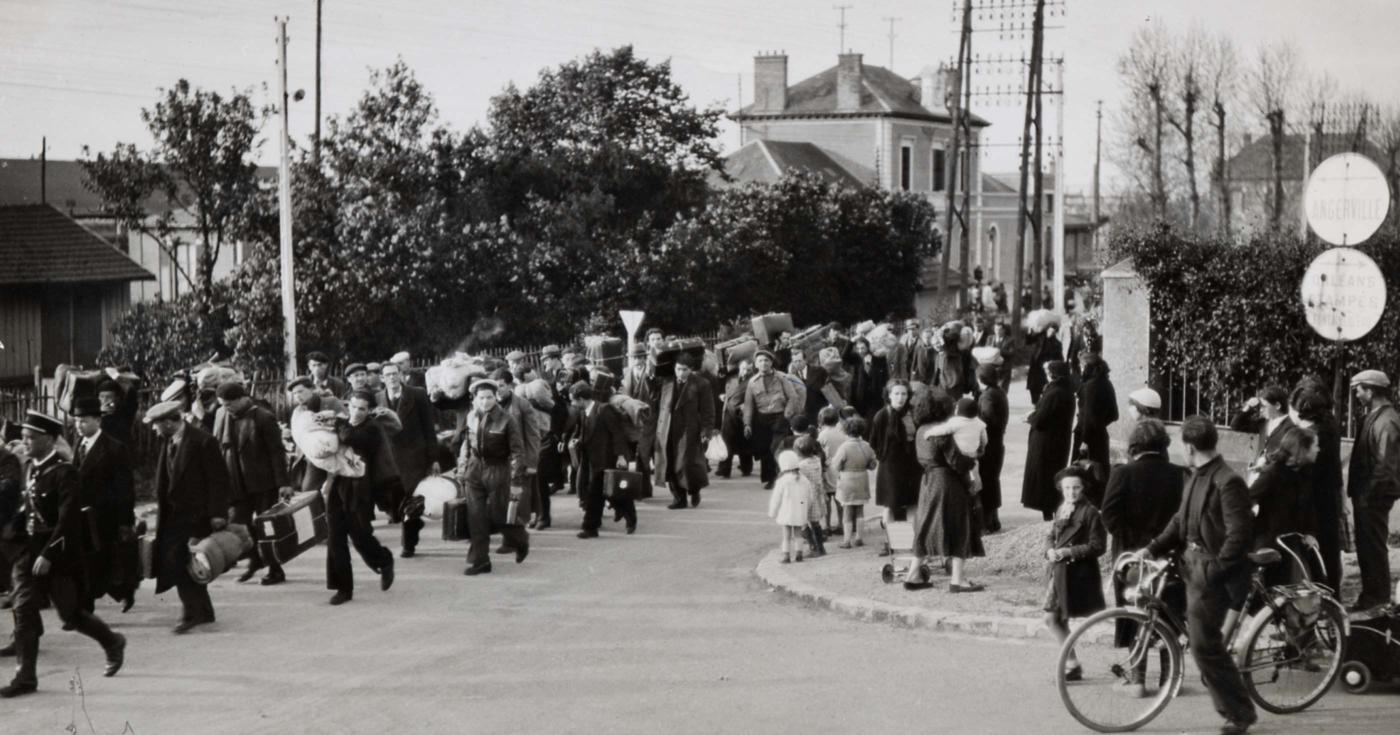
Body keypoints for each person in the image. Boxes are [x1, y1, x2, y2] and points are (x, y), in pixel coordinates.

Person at [0, 411, 126, 698]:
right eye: (24, 437)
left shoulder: (65, 472)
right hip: (28, 552)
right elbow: (28, 509)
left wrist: (49, 553)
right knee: (24, 611)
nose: (25, 442)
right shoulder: (32, 467)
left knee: (71, 614)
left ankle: (112, 642)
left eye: (31, 438)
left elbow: (68, 520)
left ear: (49, 440)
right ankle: (26, 676)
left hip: (57, 555)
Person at [1143, 417, 1256, 735]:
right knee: (1200, 642)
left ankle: (1239, 712)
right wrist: (1151, 549)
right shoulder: (1195, 476)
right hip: (1191, 564)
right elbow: (1181, 520)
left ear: (1190, 447)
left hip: (1211, 571)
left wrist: (1217, 570)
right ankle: (1219, 682)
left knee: (1205, 645)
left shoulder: (1227, 480)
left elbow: (1239, 535)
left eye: (1183, 446)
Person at [146, 400, 230, 634]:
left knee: (180, 562)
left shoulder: (203, 442)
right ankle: (203, 610)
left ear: (170, 422)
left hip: (197, 515)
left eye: (156, 424)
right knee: (183, 561)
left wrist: (218, 513)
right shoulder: (168, 441)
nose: (154, 429)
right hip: (172, 515)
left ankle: (191, 612)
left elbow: (219, 480)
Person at [212, 381, 292, 586]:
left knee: (267, 528)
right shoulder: (222, 415)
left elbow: (276, 452)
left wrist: (283, 483)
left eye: (229, 404)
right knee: (240, 525)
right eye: (222, 404)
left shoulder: (263, 417)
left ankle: (275, 569)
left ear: (242, 399)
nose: (226, 408)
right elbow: (217, 446)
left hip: (263, 483)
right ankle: (255, 560)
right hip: (234, 482)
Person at [908, 391, 985, 592]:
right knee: (960, 526)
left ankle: (912, 575)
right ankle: (957, 580)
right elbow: (957, 462)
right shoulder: (944, 432)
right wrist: (974, 458)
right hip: (948, 482)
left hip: (928, 481)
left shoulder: (921, 430)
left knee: (926, 526)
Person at [69, 397, 138, 613]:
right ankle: (85, 609)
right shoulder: (79, 444)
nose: (79, 426)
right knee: (85, 561)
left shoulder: (114, 448)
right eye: (77, 421)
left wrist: (125, 521)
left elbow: (125, 488)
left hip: (106, 516)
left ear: (98, 421)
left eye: (85, 421)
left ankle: (126, 591)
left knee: (107, 560)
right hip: (83, 515)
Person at [1043, 466, 1108, 681]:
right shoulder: (1062, 508)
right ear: (1061, 489)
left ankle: (1071, 665)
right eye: (1067, 488)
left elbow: (1098, 546)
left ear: (1083, 488)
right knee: (1055, 619)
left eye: (1076, 488)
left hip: (1076, 574)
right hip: (1058, 573)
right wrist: (1050, 549)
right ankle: (1072, 664)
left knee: (1053, 618)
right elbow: (1051, 534)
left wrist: (1067, 552)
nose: (1071, 493)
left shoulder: (1090, 512)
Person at [458, 380, 529, 573]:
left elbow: (517, 452)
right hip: (475, 469)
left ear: (495, 397)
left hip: (498, 470)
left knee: (500, 515)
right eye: (481, 398)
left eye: (490, 397)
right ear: (475, 399)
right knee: (476, 518)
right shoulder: (471, 417)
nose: (486, 401)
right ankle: (480, 561)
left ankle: (520, 540)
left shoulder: (508, 419)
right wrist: (462, 468)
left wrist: (516, 479)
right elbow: (466, 445)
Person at [1346, 369, 1400, 611]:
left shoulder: (1387, 421)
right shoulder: (1375, 416)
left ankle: (1377, 599)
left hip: (1374, 497)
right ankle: (1371, 596)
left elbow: (1385, 466)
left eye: (1359, 389)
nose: (1356, 394)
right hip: (1366, 495)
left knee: (1373, 547)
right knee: (1366, 547)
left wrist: (1369, 495)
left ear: (1371, 390)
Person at [1289, 383, 1344, 595]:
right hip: (1328, 499)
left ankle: (1323, 601)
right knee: (1329, 555)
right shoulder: (1330, 427)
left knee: (1314, 557)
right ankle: (1332, 599)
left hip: (1311, 504)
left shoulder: (1309, 436)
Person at [381, 361, 437, 555]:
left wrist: (433, 458)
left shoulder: (417, 394)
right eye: (387, 375)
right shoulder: (378, 398)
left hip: (414, 456)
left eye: (395, 373)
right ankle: (416, 521)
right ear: (382, 378)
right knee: (393, 502)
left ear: (401, 375)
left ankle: (408, 544)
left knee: (410, 499)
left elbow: (429, 427)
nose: (392, 378)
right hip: (389, 460)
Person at [568, 382, 634, 539]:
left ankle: (628, 518)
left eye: (574, 400)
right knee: (597, 495)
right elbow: (586, 434)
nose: (572, 403)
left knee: (609, 494)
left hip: (607, 459)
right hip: (592, 461)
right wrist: (578, 441)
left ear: (582, 399)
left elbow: (617, 433)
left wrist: (620, 456)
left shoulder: (603, 410)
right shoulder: (584, 412)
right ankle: (592, 527)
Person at [655, 354, 715, 510]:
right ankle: (679, 498)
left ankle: (694, 490)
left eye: (684, 370)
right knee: (670, 463)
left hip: (689, 429)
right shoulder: (667, 383)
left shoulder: (702, 384)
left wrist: (706, 431)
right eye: (678, 369)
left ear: (691, 370)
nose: (680, 373)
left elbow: (708, 410)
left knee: (686, 464)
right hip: (668, 428)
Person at [870, 380, 921, 553]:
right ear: (889, 395)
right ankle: (892, 543)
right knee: (890, 505)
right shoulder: (881, 415)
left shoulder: (914, 414)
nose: (900, 398)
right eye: (896, 394)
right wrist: (884, 456)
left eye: (904, 394)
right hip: (890, 467)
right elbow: (874, 441)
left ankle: (911, 543)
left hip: (912, 466)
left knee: (912, 504)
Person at [1021, 361, 1076, 521]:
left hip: (1047, 442)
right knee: (1051, 475)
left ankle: (1048, 514)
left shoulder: (1054, 392)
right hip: (1058, 440)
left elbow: (1041, 418)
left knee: (1044, 477)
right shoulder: (1065, 390)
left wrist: (1030, 418)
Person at [743, 350, 801, 489]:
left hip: (780, 417)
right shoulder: (752, 382)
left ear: (771, 362)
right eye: (760, 361)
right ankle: (770, 478)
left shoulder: (782, 378)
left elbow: (793, 397)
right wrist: (747, 424)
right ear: (756, 364)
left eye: (767, 360)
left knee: (776, 447)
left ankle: (781, 476)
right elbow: (748, 405)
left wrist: (787, 414)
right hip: (762, 419)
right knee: (764, 449)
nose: (764, 363)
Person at [1229, 384, 1293, 484]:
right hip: (1257, 474)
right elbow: (1236, 425)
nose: (1261, 410)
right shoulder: (1263, 423)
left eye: (1264, 406)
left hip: (1274, 478)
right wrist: (1248, 407)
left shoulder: (1290, 427)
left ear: (1277, 405)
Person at [621, 344, 661, 498]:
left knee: (643, 454)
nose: (637, 360)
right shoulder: (627, 373)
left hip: (649, 419)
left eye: (640, 357)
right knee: (638, 454)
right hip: (633, 420)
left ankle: (644, 489)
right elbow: (625, 394)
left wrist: (651, 381)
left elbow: (655, 395)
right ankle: (642, 489)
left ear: (645, 358)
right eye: (634, 358)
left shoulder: (651, 372)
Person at [833, 417, 876, 549]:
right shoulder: (866, 446)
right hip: (862, 478)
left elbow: (836, 465)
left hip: (847, 478)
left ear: (846, 431)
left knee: (847, 510)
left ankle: (846, 540)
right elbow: (873, 464)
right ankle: (859, 538)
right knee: (859, 509)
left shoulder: (844, 447)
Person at [976, 364, 1009, 533]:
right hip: (998, 443)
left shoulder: (987, 396)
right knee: (992, 481)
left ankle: (987, 523)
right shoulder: (1000, 391)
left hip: (989, 444)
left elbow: (987, 418)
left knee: (986, 482)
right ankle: (993, 521)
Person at [767, 450, 812, 564]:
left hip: (786, 512)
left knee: (786, 535)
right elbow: (810, 496)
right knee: (798, 534)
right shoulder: (804, 480)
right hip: (800, 511)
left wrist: (772, 512)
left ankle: (786, 555)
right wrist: (807, 508)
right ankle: (799, 554)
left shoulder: (782, 481)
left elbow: (776, 498)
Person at [793, 435, 829, 558]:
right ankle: (820, 547)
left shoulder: (801, 465)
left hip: (805, 496)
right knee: (815, 522)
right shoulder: (817, 460)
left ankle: (813, 546)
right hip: (817, 494)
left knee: (802, 522)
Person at [816, 406, 849, 535]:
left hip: (827, 468)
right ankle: (841, 524)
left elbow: (819, 451)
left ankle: (827, 526)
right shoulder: (842, 433)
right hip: (840, 468)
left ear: (821, 420)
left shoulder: (822, 435)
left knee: (826, 500)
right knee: (839, 500)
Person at [844, 337, 888, 419]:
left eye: (863, 348)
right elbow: (844, 357)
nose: (860, 351)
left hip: (875, 395)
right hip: (860, 394)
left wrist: (870, 365)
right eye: (858, 348)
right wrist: (851, 341)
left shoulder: (878, 358)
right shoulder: (857, 358)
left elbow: (884, 375)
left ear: (868, 347)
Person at [787, 350, 828, 429]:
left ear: (805, 360)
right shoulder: (791, 376)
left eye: (799, 361)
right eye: (795, 362)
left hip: (819, 409)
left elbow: (827, 388)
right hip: (804, 413)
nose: (797, 364)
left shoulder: (819, 371)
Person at [1026, 324, 1063, 405]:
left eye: (1053, 332)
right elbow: (1028, 341)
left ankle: (1041, 405)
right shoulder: (1040, 337)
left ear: (1055, 333)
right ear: (1047, 330)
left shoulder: (1057, 343)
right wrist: (1029, 332)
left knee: (1045, 387)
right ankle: (1035, 403)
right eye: (1050, 331)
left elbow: (1059, 357)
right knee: (1033, 388)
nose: (1051, 333)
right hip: (1036, 367)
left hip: (1046, 368)